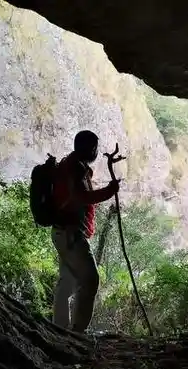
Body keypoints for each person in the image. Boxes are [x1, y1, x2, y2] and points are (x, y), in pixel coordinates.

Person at [51, 130, 120, 333]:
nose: (97, 152)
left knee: (68, 282)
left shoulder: (71, 165)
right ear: (91, 148)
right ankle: (77, 332)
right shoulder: (74, 168)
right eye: (96, 148)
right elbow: (81, 197)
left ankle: (60, 329)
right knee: (90, 279)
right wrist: (109, 191)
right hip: (71, 235)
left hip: (63, 233)